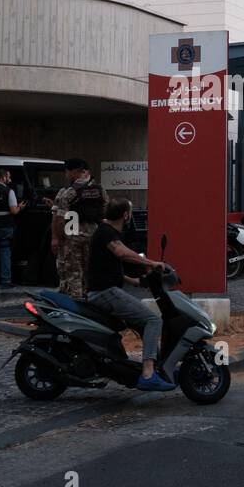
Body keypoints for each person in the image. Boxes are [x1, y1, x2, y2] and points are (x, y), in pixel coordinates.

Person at [86, 198, 175, 391]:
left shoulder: (105, 231)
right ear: (126, 215)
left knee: (142, 323)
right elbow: (122, 253)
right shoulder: (107, 232)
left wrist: (135, 281)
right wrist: (152, 263)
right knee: (153, 320)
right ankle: (149, 374)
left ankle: (157, 366)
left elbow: (108, 267)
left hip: (106, 290)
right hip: (105, 293)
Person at [51, 158, 106, 300]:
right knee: (90, 270)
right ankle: (91, 299)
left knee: (73, 272)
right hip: (93, 234)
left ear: (74, 172)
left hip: (72, 232)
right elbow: (105, 212)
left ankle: (76, 302)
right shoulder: (100, 190)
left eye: (67, 171)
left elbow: (60, 218)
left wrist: (58, 237)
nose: (66, 174)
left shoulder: (67, 192)